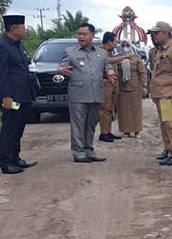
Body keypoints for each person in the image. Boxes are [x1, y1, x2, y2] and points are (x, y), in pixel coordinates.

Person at [58, 23, 116, 162]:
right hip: (78, 95)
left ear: (92, 35)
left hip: (96, 94)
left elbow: (107, 65)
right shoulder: (70, 52)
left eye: (84, 34)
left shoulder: (101, 53)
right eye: (79, 34)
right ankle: (78, 152)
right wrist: (61, 70)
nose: (81, 37)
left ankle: (89, 150)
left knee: (91, 125)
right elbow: (61, 66)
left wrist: (109, 72)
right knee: (78, 124)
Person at [0, 15, 38, 174]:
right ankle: (4, 161)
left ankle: (15, 157)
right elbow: (1, 74)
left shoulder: (19, 46)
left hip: (24, 96)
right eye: (23, 27)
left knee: (18, 128)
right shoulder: (1, 46)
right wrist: (6, 97)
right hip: (11, 97)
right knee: (10, 127)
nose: (25, 30)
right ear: (14, 29)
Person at [148, 21, 172, 166]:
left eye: (156, 33)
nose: (154, 36)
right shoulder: (160, 50)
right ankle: (170, 150)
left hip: (171, 93)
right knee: (165, 125)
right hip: (161, 93)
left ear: (165, 33)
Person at [116, 40, 147, 137]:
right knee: (124, 111)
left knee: (136, 110)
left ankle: (137, 131)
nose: (125, 47)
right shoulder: (117, 58)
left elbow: (142, 72)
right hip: (122, 87)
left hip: (135, 87)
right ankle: (126, 131)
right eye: (123, 45)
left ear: (131, 46)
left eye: (127, 45)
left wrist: (144, 85)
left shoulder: (136, 58)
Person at [98, 31, 124, 143]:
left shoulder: (110, 52)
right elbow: (107, 61)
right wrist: (123, 57)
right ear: (109, 41)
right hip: (105, 83)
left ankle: (108, 131)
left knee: (110, 109)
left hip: (113, 83)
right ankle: (103, 133)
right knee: (105, 109)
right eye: (115, 41)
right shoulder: (100, 51)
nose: (116, 44)